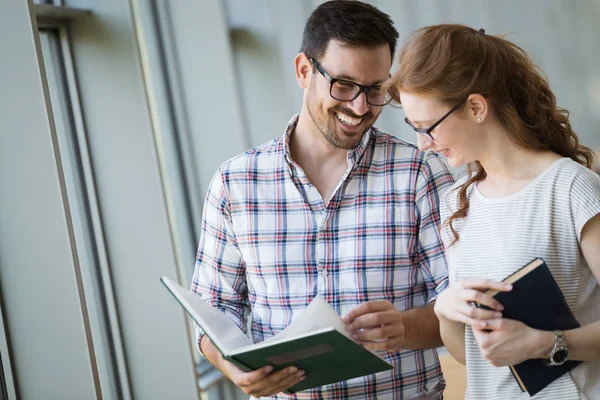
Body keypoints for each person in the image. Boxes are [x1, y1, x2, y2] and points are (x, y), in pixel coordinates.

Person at [190, 1, 455, 399]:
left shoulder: (420, 174)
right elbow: (214, 313)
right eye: (344, 85)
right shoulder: (235, 184)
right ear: (303, 70)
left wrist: (405, 327)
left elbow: (461, 304)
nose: (360, 107)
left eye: (375, 90)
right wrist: (233, 367)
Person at [390, 24, 600, 399]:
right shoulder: (458, 202)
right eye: (414, 128)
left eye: (428, 128)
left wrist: (545, 343)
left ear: (475, 107)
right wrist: (446, 312)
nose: (422, 145)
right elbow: (472, 358)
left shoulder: (570, 187)